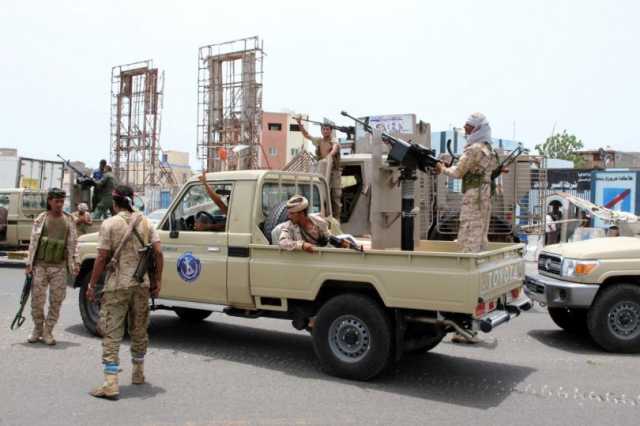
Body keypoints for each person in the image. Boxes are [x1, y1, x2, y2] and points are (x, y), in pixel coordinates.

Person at [86, 185, 163, 400]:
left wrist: (92, 285)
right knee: (139, 330)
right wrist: (157, 281)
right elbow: (158, 253)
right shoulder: (146, 222)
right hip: (141, 285)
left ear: (115, 202)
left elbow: (101, 257)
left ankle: (110, 383)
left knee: (112, 332)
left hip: (117, 286)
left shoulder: (109, 224)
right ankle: (138, 373)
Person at [435, 112, 499, 253]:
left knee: (470, 229)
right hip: (485, 194)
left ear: (478, 129)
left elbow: (457, 172)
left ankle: (468, 262)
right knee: (481, 231)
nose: (466, 130)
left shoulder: (474, 149)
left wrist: (442, 169)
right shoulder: (489, 149)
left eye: (469, 127)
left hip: (474, 196)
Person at [25, 188, 79, 345]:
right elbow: (33, 243)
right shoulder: (41, 219)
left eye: (62, 201)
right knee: (37, 300)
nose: (60, 204)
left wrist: (75, 263)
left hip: (59, 267)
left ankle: (48, 331)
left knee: (56, 301)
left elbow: (74, 244)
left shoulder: (69, 220)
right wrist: (29, 264)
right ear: (50, 201)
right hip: (40, 266)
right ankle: (37, 329)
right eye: (57, 201)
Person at [296, 117, 342, 220]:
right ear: (321, 130)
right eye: (324, 129)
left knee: (335, 197)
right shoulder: (319, 140)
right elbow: (306, 135)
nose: (325, 131)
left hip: (333, 172)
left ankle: (337, 220)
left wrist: (329, 156)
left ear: (331, 131)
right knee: (322, 196)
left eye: (328, 129)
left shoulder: (333, 140)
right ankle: (325, 218)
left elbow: (335, 147)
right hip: (322, 170)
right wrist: (299, 123)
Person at [278, 195, 349, 252]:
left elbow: (327, 237)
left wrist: (342, 243)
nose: (289, 216)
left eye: (292, 214)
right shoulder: (288, 226)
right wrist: (301, 245)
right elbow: (282, 242)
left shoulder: (319, 222)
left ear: (302, 214)